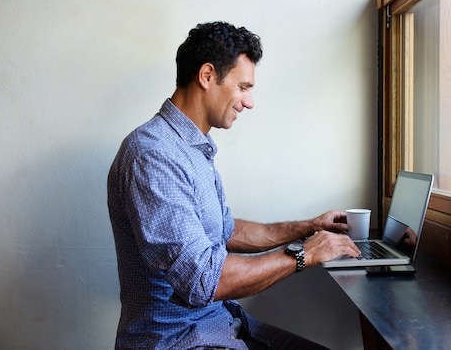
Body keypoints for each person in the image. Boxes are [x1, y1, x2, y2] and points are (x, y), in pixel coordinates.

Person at [107, 21, 361, 349]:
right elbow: (201, 279)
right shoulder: (153, 154)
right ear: (208, 76)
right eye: (243, 87)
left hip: (223, 324)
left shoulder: (193, 149)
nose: (249, 101)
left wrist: (308, 227)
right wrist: (303, 254)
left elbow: (227, 234)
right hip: (180, 341)